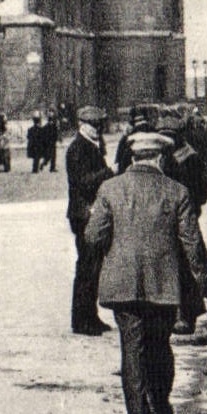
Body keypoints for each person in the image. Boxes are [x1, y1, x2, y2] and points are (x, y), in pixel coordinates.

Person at [85, 126, 207, 414]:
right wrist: (205, 284)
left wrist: (116, 252)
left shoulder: (110, 189)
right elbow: (192, 243)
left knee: (132, 348)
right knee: (160, 344)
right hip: (164, 283)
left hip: (122, 285)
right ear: (159, 156)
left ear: (133, 155)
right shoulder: (176, 191)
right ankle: (159, 403)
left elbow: (92, 236)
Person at [159, 111, 207, 333]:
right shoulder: (164, 156)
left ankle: (187, 314)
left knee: (187, 264)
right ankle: (172, 313)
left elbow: (202, 187)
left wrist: (193, 208)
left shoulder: (189, 158)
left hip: (184, 216)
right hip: (166, 219)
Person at [65, 106, 114, 334]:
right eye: (94, 125)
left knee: (93, 267)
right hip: (83, 214)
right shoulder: (78, 149)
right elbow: (83, 182)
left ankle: (90, 316)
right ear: (82, 125)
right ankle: (82, 320)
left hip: (89, 213)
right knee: (86, 267)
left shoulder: (92, 145)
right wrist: (107, 173)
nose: (98, 129)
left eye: (100, 125)